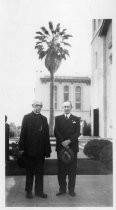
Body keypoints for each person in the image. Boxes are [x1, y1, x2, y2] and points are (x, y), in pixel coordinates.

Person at [18, 100, 51, 199]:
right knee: (30, 172)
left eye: (40, 105)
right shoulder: (27, 118)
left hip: (40, 152)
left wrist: (47, 150)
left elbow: (46, 136)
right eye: (37, 105)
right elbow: (23, 134)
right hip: (29, 151)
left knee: (40, 173)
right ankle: (28, 191)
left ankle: (39, 192)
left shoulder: (44, 119)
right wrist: (21, 148)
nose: (39, 107)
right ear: (33, 106)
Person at [54, 101, 80, 197]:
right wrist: (63, 142)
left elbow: (77, 133)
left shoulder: (76, 119)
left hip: (72, 148)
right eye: (64, 106)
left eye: (68, 106)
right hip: (61, 148)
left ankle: (71, 190)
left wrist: (69, 141)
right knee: (61, 170)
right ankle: (62, 189)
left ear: (71, 107)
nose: (66, 108)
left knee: (72, 170)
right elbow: (56, 131)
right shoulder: (58, 118)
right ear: (62, 107)